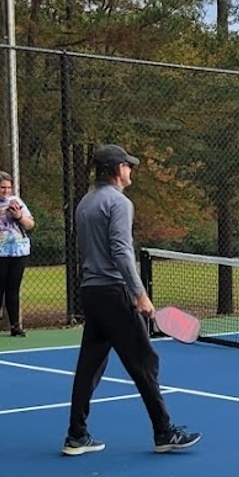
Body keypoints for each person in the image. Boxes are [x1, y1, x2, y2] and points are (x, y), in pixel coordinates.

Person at [62, 144, 200, 456]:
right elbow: (121, 251)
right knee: (144, 361)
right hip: (114, 291)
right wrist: (139, 294)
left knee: (90, 366)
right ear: (116, 169)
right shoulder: (119, 203)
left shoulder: (86, 202)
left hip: (91, 292)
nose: (131, 170)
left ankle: (76, 435)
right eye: (127, 165)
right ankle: (164, 432)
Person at [0, 171, 35, 337]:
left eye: (9, 188)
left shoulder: (16, 201)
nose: (6, 191)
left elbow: (29, 224)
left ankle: (15, 325)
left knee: (13, 288)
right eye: (2, 187)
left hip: (17, 251)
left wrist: (18, 215)